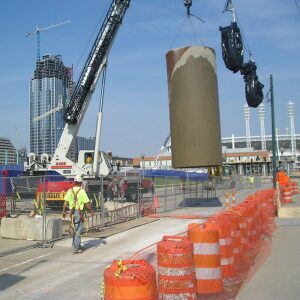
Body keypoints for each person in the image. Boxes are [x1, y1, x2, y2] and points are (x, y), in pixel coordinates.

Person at [62, 175, 94, 254]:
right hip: (78, 212)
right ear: (81, 182)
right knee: (78, 230)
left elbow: (65, 202)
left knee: (76, 229)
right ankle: (76, 248)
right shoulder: (82, 191)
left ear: (74, 182)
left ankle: (77, 245)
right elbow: (87, 203)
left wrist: (63, 211)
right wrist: (91, 211)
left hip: (71, 212)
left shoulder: (70, 190)